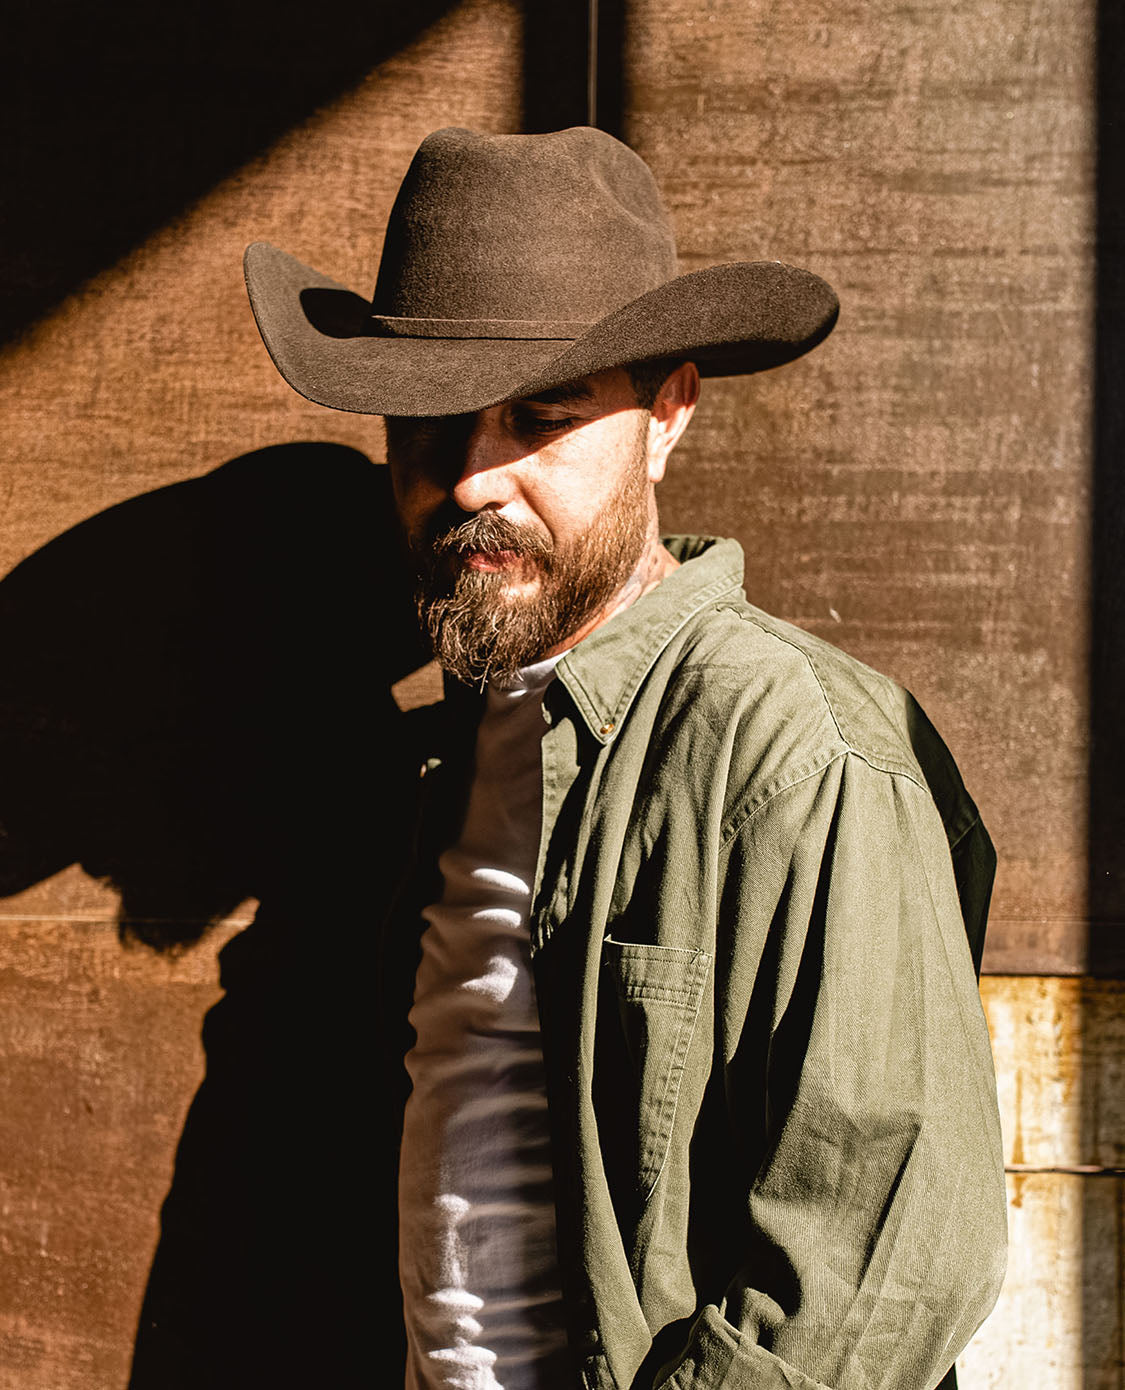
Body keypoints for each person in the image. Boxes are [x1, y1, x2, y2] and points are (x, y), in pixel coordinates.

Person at [244, 126, 1006, 1390]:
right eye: (428, 421)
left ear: (667, 415)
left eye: (541, 418)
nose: (473, 479)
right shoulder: (453, 761)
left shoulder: (798, 752)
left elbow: (875, 1282)